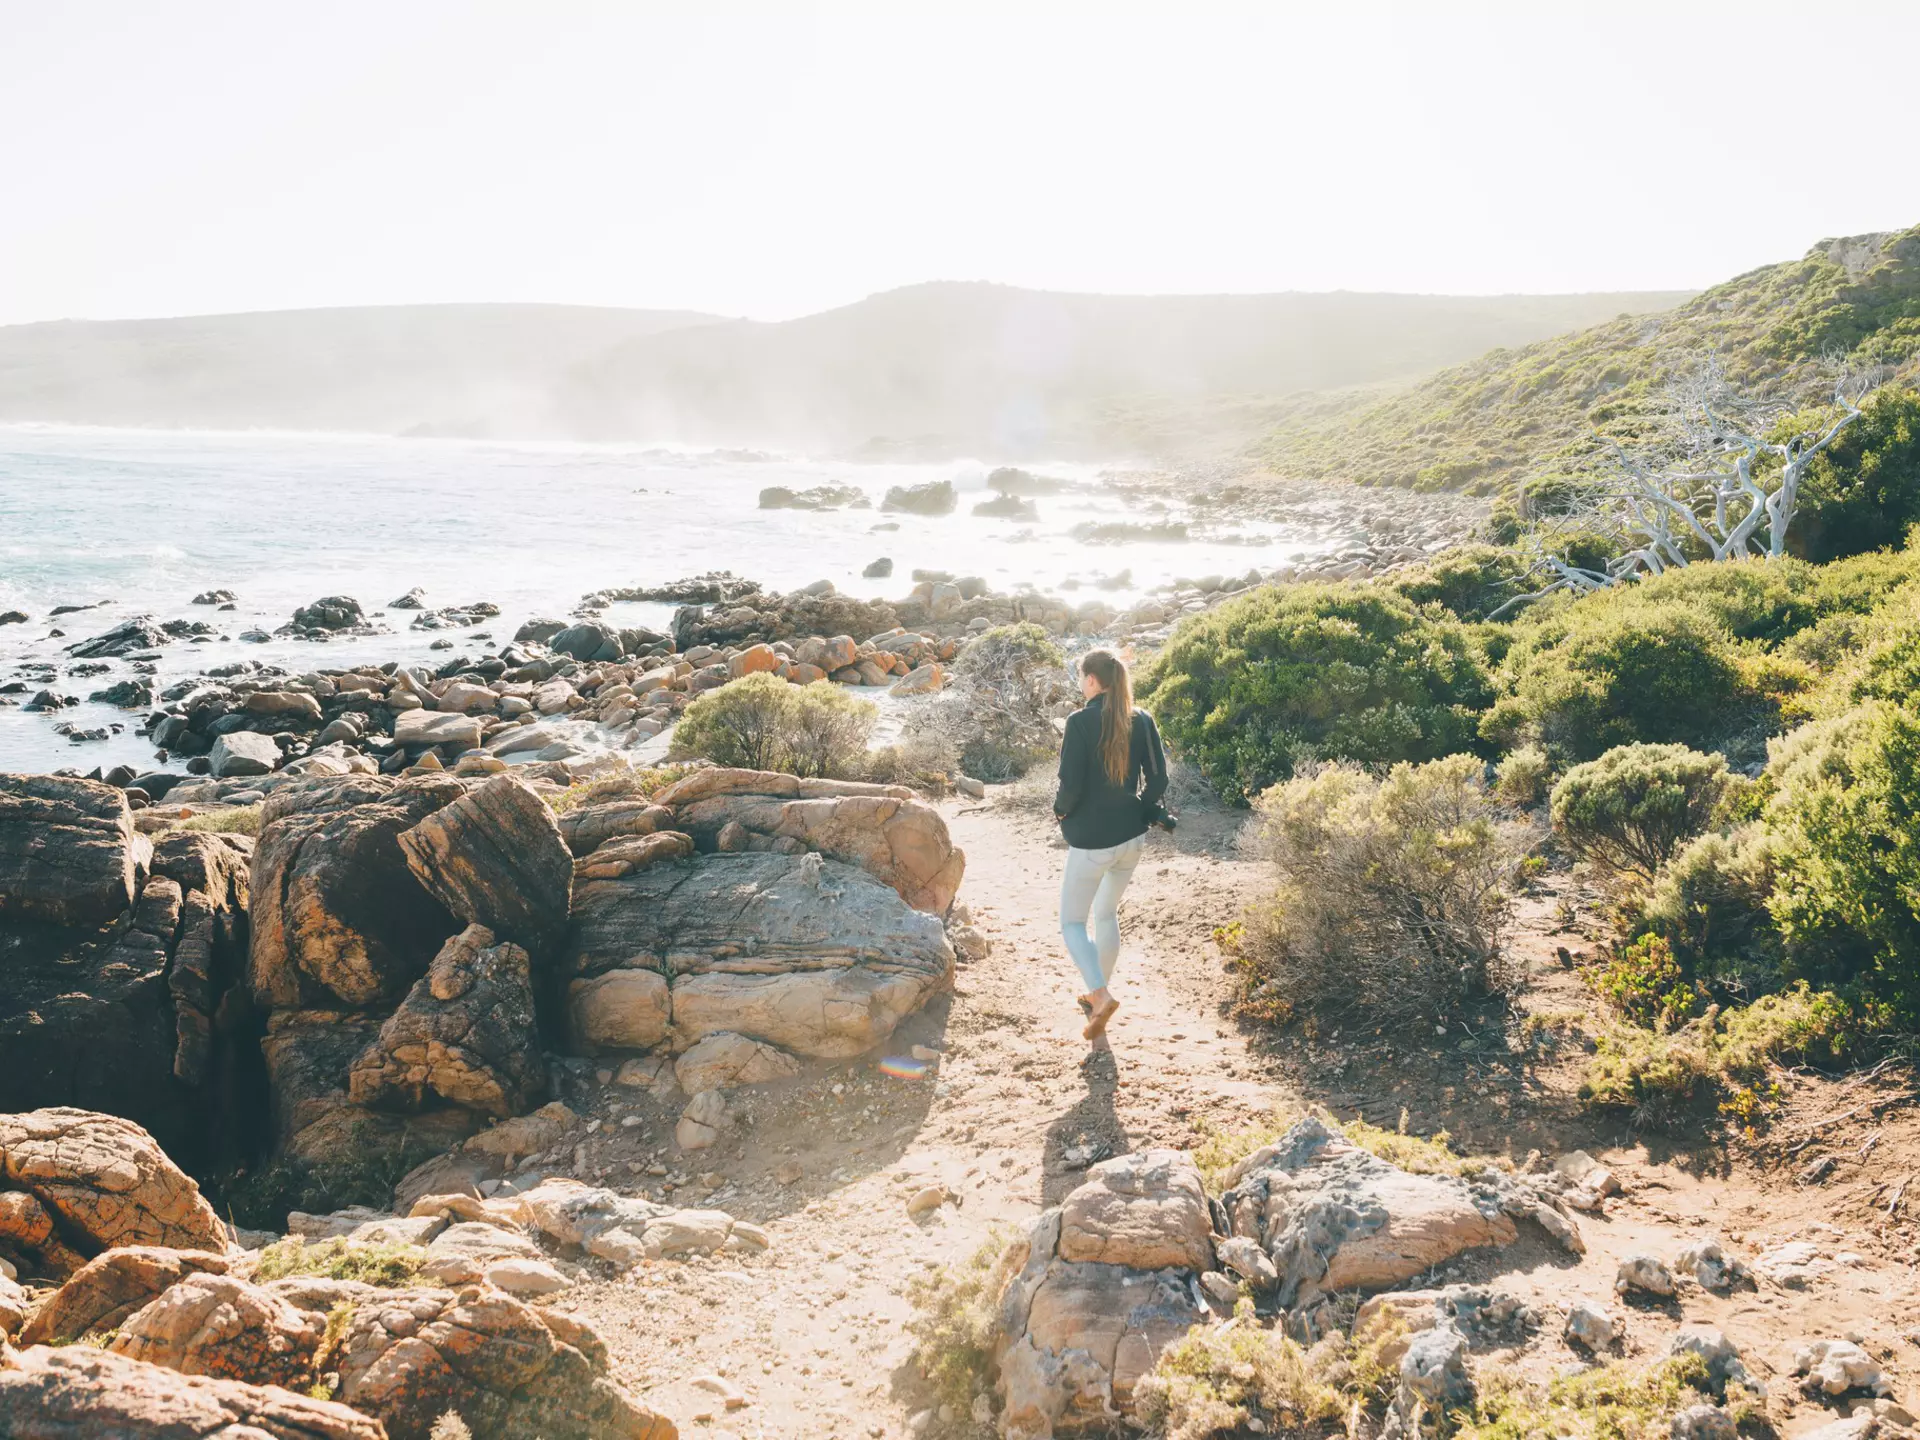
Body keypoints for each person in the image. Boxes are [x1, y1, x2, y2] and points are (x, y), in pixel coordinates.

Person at [1053, 648, 1168, 1040]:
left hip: (1092, 841)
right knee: (1105, 914)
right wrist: (1144, 808)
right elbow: (1158, 782)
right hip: (1131, 838)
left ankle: (1100, 995)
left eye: (1081, 677)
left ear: (1091, 681)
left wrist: (1061, 813)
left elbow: (1070, 786)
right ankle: (1095, 995)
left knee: (1071, 922)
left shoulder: (1079, 722)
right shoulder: (1142, 718)